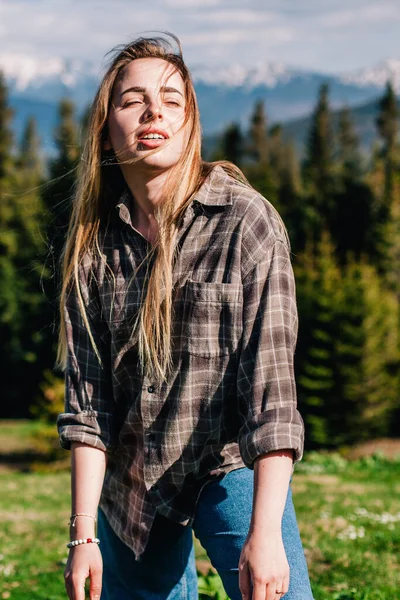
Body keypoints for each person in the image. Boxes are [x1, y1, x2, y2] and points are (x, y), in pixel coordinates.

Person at [56, 33, 314, 600]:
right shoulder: (93, 249)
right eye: (133, 100)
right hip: (134, 485)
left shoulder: (247, 224)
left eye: (172, 100)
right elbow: (88, 406)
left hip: (231, 464)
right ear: (106, 128)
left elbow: (273, 397)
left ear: (190, 123)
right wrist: (83, 538)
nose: (154, 111)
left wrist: (264, 533)